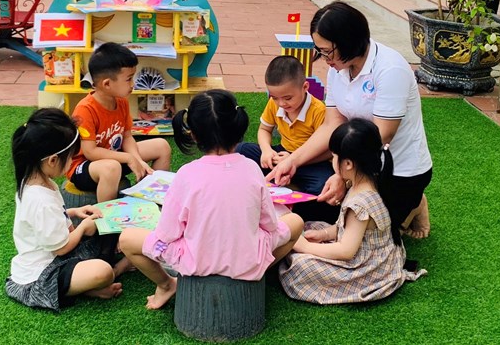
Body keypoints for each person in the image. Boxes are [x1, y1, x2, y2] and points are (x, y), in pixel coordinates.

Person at [118, 89, 305, 310]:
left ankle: (166, 284)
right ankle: (258, 273)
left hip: (194, 263)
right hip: (248, 261)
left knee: (127, 238)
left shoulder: (187, 174)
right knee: (295, 222)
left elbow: (167, 234)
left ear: (194, 135)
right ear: (237, 128)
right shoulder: (252, 168)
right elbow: (270, 224)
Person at [267, 1, 433, 238]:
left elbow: (380, 137)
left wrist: (343, 177)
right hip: (354, 161)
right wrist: (293, 161)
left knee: (363, 236)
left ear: (348, 42)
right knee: (320, 208)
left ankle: (415, 202)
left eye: (327, 51)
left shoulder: (390, 69)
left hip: (397, 171)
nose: (324, 58)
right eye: (319, 51)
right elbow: (331, 124)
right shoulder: (338, 68)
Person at [279, 118, 425, 304]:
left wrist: (305, 247)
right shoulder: (369, 180)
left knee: (301, 265)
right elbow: (347, 227)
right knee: (309, 227)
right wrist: (324, 234)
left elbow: (346, 251)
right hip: (369, 248)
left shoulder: (360, 203)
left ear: (348, 164)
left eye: (334, 156)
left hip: (366, 266)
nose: (333, 161)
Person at [5, 108, 130, 311]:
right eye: (71, 157)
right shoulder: (40, 200)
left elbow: (48, 218)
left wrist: (74, 211)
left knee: (107, 230)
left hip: (57, 256)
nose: (72, 162)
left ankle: (87, 285)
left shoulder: (37, 182)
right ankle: (101, 279)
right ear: (53, 160)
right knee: (103, 271)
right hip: (42, 275)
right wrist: (83, 228)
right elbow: (61, 248)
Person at [67, 42, 172, 201]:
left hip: (115, 156)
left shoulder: (121, 101)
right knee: (112, 168)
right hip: (85, 167)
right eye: (128, 79)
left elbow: (127, 137)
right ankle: (108, 214)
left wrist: (137, 159)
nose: (133, 84)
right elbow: (90, 152)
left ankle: (152, 199)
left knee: (161, 146)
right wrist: (129, 159)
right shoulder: (85, 109)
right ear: (107, 84)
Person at [236, 55, 333, 194]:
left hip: (310, 161)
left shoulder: (318, 111)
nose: (281, 103)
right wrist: (267, 151)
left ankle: (293, 194)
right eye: (275, 97)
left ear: (305, 87)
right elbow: (264, 129)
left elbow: (327, 151)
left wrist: (294, 161)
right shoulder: (274, 104)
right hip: (281, 154)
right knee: (241, 150)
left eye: (288, 98)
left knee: (322, 186)